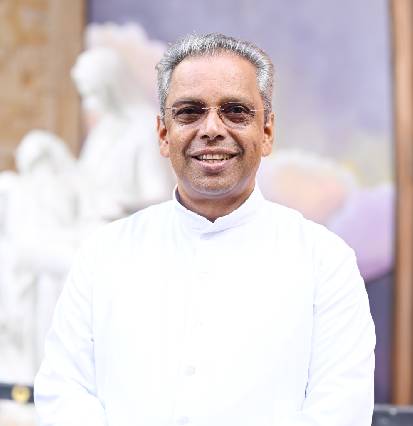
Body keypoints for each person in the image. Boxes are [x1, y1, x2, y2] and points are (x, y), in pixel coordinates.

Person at [34, 33, 375, 426]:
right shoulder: (104, 254)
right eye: (190, 112)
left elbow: (340, 410)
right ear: (164, 134)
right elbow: (64, 390)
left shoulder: (325, 261)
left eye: (235, 111)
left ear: (266, 132)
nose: (211, 128)